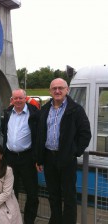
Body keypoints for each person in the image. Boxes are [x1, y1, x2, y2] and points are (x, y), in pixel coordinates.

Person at [36, 78, 91, 224]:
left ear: (67, 90)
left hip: (66, 159)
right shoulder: (45, 109)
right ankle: (55, 221)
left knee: (69, 196)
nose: (57, 91)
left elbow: (85, 134)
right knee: (53, 194)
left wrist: (74, 152)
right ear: (50, 91)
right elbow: (40, 134)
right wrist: (39, 158)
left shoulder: (76, 110)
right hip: (49, 158)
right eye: (54, 88)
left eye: (61, 88)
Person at [3, 89, 39, 224]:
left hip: (27, 158)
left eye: (20, 98)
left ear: (25, 98)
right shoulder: (8, 113)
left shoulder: (34, 113)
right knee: (11, 191)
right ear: (12, 99)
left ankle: (29, 221)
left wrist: (37, 158)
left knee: (32, 193)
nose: (18, 101)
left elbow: (38, 136)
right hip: (10, 158)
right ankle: (14, 219)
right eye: (15, 98)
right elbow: (5, 132)